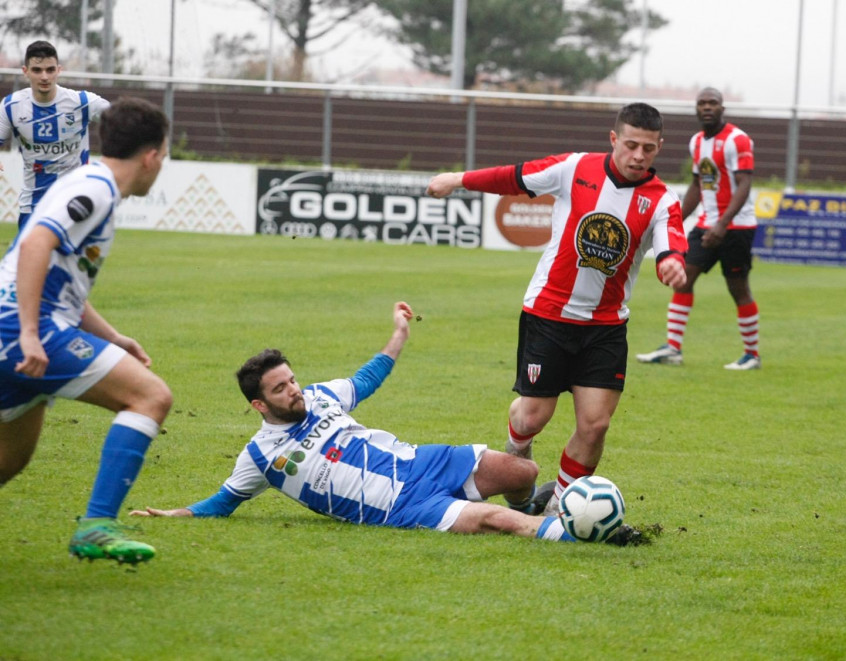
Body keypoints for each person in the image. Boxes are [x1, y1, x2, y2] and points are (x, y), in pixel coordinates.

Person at [131, 302, 641, 546]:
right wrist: (173, 516)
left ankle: (535, 501)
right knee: (494, 522)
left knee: (522, 473)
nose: (294, 390)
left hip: (420, 459)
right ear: (260, 406)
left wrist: (397, 332)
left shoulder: (321, 396)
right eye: (281, 389)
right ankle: (583, 535)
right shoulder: (262, 458)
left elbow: (368, 377)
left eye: (291, 380)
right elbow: (221, 505)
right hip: (400, 504)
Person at [425, 102, 688, 517]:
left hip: (605, 327)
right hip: (548, 315)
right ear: (614, 139)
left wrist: (671, 259)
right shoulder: (574, 168)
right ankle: (518, 456)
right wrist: (458, 179)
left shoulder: (662, 200)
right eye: (632, 145)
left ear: (660, 147)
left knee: (595, 424)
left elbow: (671, 237)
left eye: (649, 149)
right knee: (532, 417)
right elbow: (514, 177)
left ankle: (558, 510)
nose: (639, 156)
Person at [0, 97, 172, 565]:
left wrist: (112, 336)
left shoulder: (91, 183)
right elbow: (36, 244)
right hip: (20, 327)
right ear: (152, 156)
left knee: (9, 460)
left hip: (17, 323)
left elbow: (63, 283)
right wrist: (31, 334)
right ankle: (97, 525)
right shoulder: (96, 188)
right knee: (150, 397)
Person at [636, 87, 761, 370]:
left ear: (722, 108)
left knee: (738, 287)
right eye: (702, 103)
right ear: (696, 108)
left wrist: (723, 224)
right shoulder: (696, 142)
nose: (707, 107)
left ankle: (752, 355)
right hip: (707, 223)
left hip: (736, 226)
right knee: (683, 277)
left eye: (712, 103)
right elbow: (697, 186)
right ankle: (672, 348)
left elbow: (745, 184)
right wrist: (674, 219)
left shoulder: (737, 140)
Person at [0, 40, 110, 230]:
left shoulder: (81, 102)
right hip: (34, 202)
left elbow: (123, 119)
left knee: (73, 260)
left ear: (59, 70)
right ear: (25, 71)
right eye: (37, 70)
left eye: (50, 70)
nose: (44, 76)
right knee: (31, 259)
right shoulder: (11, 107)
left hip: (76, 200)